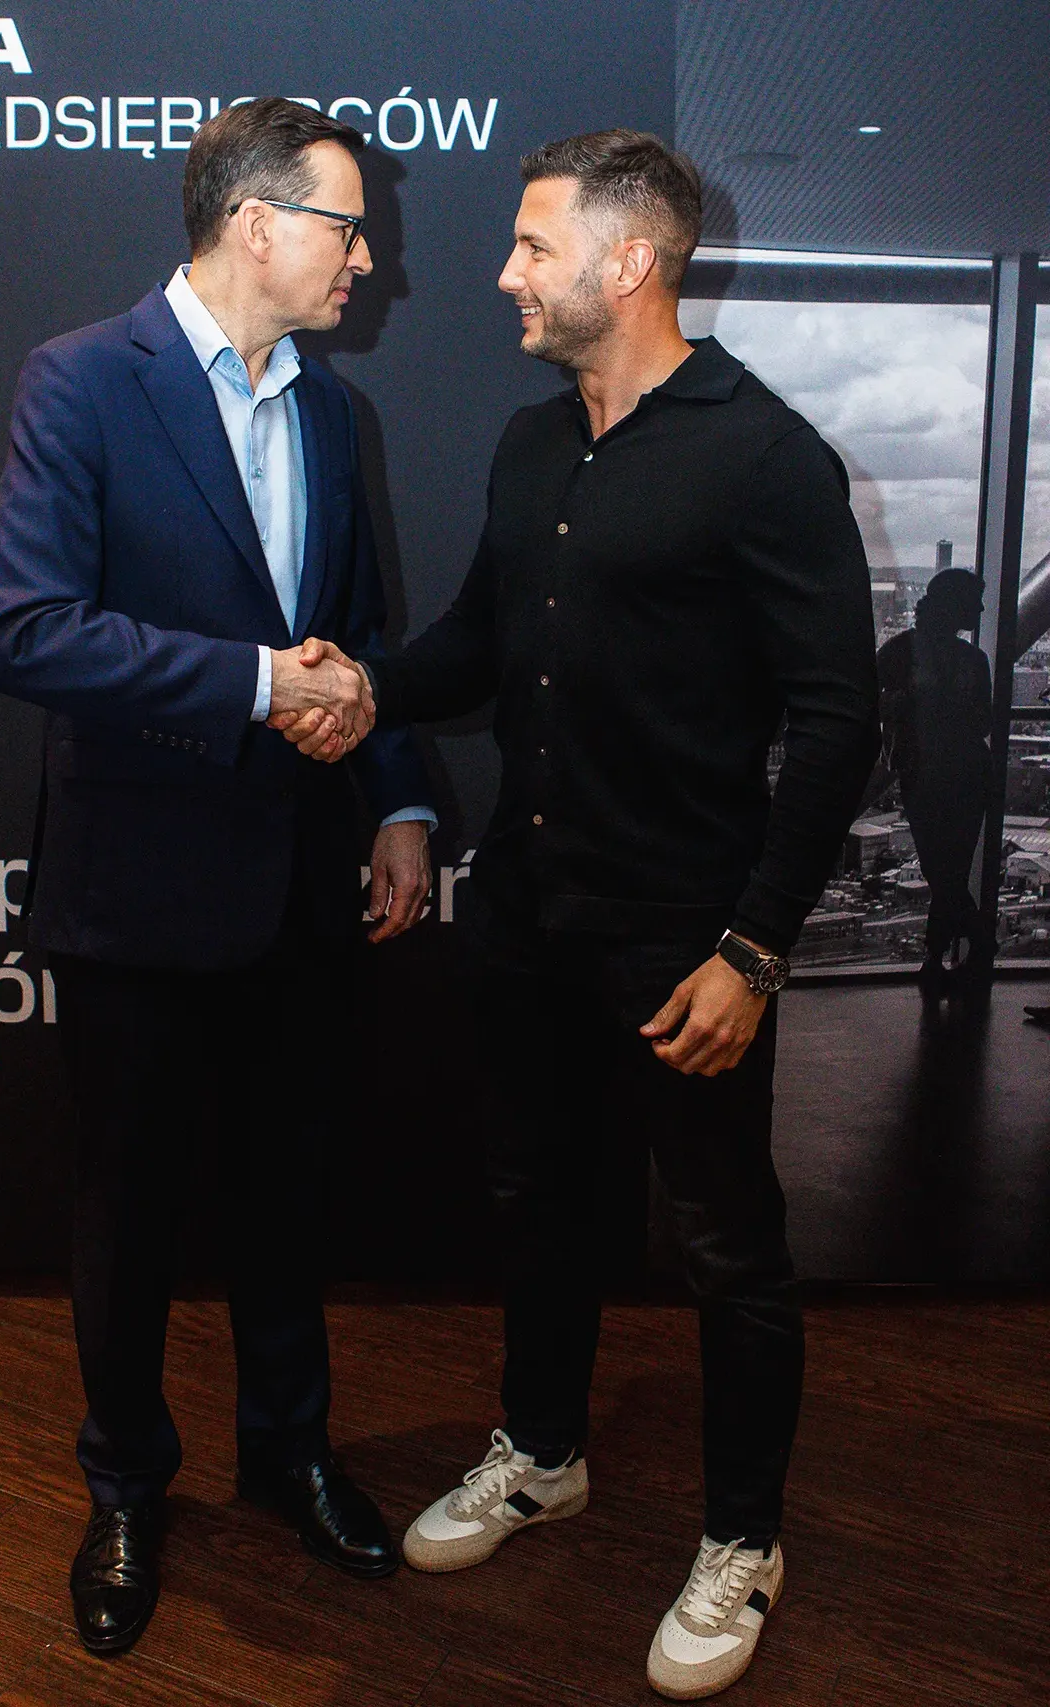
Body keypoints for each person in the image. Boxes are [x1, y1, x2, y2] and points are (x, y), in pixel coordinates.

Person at [277, 129, 880, 1699]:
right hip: (530, 915)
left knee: (726, 1245)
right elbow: (478, 643)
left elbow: (837, 721)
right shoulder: (536, 441)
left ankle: (743, 1540)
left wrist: (755, 948)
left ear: (630, 262)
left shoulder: (768, 456)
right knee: (537, 1197)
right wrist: (364, 686)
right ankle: (544, 1452)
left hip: (686, 940)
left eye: (533, 247)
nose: (504, 274)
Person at [0, 97, 435, 1657]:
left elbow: (355, 639)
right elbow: (23, 628)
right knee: (128, 1215)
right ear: (256, 224)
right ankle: (124, 1488)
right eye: (347, 229)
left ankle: (290, 1454)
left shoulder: (334, 415)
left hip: (300, 881)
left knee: (288, 1197)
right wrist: (252, 683)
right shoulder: (82, 380)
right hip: (138, 890)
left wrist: (399, 801)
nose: (367, 262)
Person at [877, 569, 993, 994]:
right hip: (965, 775)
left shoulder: (898, 652)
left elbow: (872, 701)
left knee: (941, 871)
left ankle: (943, 955)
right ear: (954, 606)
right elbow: (982, 721)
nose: (981, 609)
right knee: (950, 871)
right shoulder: (974, 661)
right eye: (974, 601)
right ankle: (967, 948)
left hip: (924, 774)